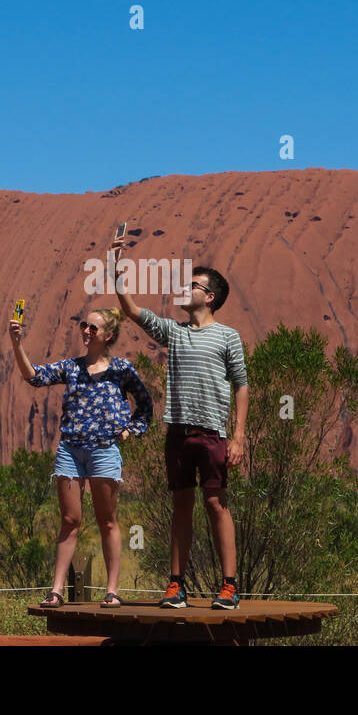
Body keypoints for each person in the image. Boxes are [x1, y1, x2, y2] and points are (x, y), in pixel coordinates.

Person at [110, 241, 249, 609]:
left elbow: (242, 384)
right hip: (178, 434)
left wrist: (238, 437)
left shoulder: (228, 336)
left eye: (194, 286)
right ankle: (176, 586)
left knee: (217, 504)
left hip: (213, 434)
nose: (186, 290)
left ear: (211, 296)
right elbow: (131, 310)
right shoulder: (175, 332)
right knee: (181, 507)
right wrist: (115, 269)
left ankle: (230, 586)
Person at [10, 305, 152, 608]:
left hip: (104, 450)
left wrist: (129, 432)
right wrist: (16, 342)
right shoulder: (71, 367)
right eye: (84, 325)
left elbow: (146, 406)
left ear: (108, 335)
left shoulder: (122, 370)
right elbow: (34, 376)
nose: (86, 331)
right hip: (70, 450)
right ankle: (56, 590)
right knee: (69, 521)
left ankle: (111, 591)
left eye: (93, 328)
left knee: (107, 521)